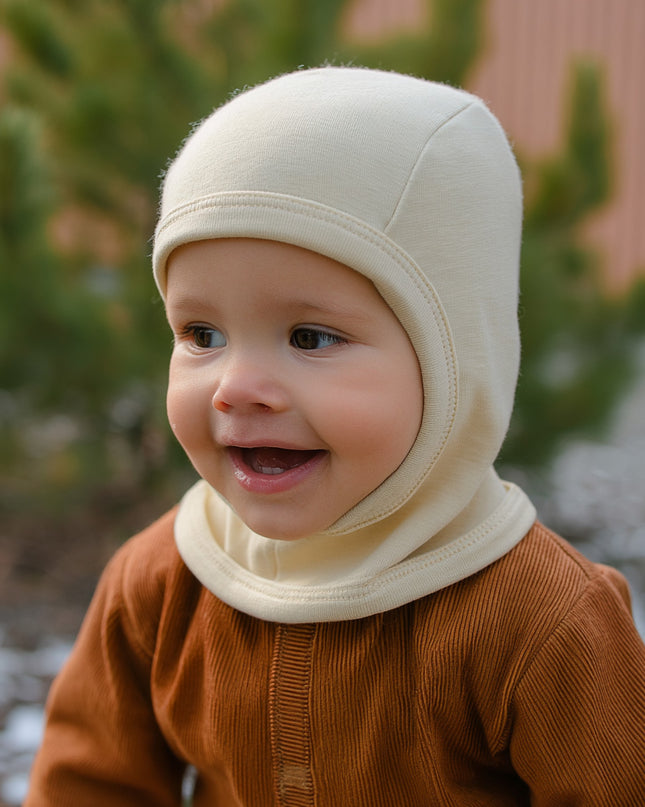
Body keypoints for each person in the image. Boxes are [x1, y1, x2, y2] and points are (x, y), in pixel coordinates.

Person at [25, 66, 645, 806]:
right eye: (202, 333)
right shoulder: (163, 582)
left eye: (310, 336)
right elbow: (91, 782)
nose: (235, 385)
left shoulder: (539, 618)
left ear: (455, 359)